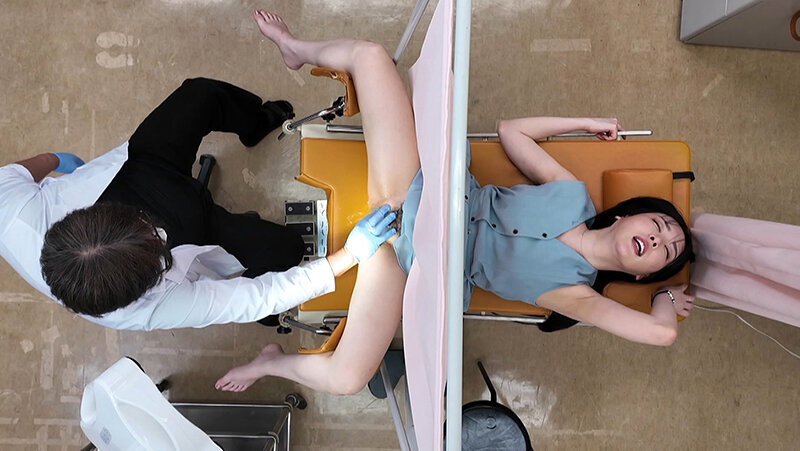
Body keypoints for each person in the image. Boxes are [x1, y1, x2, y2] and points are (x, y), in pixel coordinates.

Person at [214, 10, 696, 395]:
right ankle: (295, 49)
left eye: (666, 251)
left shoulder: (577, 295)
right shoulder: (573, 195)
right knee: (371, 55)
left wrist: (667, 298)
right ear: (628, 215)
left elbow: (663, 333)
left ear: (641, 274)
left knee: (347, 379)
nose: (658, 240)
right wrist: (585, 124)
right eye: (659, 225)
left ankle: (273, 364)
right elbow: (512, 132)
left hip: (411, 262)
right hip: (419, 187)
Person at [0, 77, 397, 330]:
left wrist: (56, 160)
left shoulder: (9, 209)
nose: (155, 229)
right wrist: (350, 254)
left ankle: (255, 123)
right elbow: (258, 296)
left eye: (143, 226)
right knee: (287, 249)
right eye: (152, 243)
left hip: (136, 171)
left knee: (200, 95)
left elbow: (21, 171)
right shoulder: (145, 309)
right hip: (191, 232)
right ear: (143, 286)